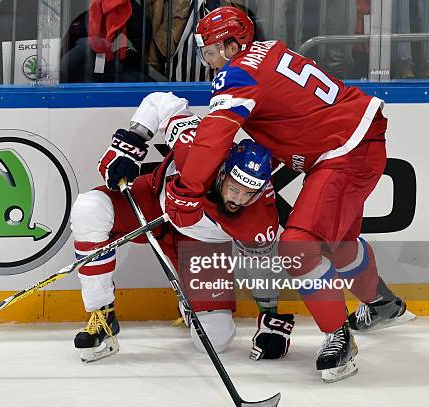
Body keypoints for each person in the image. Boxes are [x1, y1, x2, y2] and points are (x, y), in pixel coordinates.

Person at [167, 6, 416, 383]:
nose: (209, 59)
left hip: (343, 151)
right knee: (337, 242)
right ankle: (381, 303)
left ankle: (338, 337)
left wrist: (188, 189)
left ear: (235, 44)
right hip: (357, 141)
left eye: (213, 49)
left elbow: (214, 135)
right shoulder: (267, 51)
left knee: (298, 244)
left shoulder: (239, 74)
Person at [70, 91, 294, 363]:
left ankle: (192, 303)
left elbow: (261, 266)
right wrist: (132, 142)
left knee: (215, 340)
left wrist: (271, 318)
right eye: (234, 189)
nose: (238, 199)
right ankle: (101, 314)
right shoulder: (197, 144)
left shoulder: (259, 221)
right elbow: (160, 100)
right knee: (89, 209)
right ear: (222, 172)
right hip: (153, 204)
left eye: (249, 194)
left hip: (202, 246)